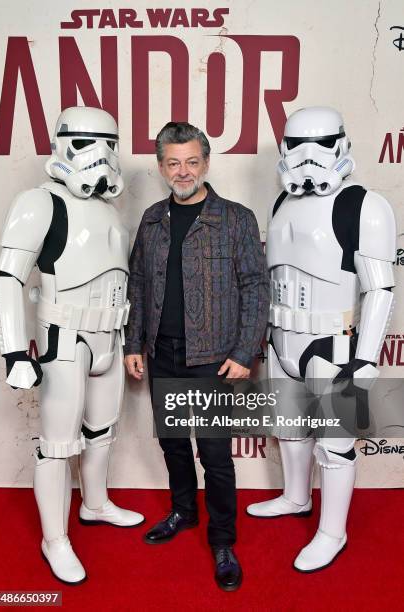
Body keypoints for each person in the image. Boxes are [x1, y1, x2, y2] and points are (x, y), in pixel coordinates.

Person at [0, 106, 145, 585]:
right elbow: (8, 276)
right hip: (65, 339)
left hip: (110, 337)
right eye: (84, 143)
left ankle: (95, 504)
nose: (99, 156)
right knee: (58, 446)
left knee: (102, 431)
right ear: (61, 145)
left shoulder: (110, 210)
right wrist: (15, 351)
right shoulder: (38, 203)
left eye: (109, 145)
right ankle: (54, 539)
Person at [247, 106, 396, 572]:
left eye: (321, 144)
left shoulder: (364, 205)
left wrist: (366, 357)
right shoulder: (279, 202)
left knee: (334, 442)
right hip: (282, 340)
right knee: (290, 431)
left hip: (334, 343)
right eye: (296, 146)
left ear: (342, 144)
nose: (308, 157)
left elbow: (381, 287)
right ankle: (295, 497)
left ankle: (333, 531)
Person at [124, 121, 268, 591]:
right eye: (172, 163)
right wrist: (132, 344)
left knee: (215, 455)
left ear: (205, 163)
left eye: (191, 161)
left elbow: (255, 286)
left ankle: (223, 538)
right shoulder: (150, 220)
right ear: (161, 166)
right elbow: (139, 285)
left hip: (213, 359)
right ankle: (183, 511)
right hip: (162, 353)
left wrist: (245, 350)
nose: (182, 171)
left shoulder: (236, 218)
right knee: (172, 445)